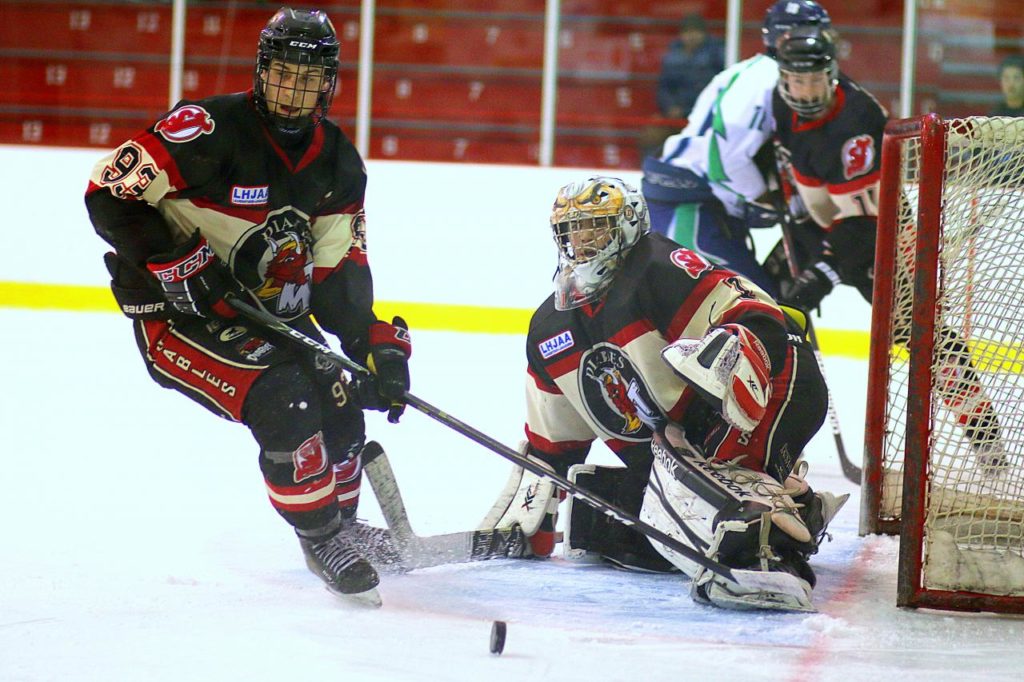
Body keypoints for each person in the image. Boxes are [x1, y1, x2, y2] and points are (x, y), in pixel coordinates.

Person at [84, 7, 411, 607]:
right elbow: (108, 195)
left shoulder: (338, 162)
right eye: (283, 74)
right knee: (286, 395)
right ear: (262, 73)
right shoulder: (206, 130)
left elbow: (337, 273)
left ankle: (341, 518)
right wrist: (179, 259)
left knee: (337, 385)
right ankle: (320, 537)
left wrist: (371, 341)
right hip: (178, 317)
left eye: (308, 79)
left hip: (264, 315)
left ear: (329, 85)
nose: (293, 92)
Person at [485, 176, 846, 612]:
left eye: (596, 226)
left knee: (712, 491)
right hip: (684, 437)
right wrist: (538, 485)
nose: (582, 240)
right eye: (572, 230)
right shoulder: (550, 326)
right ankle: (796, 502)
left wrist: (732, 351)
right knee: (614, 525)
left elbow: (757, 317)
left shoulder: (660, 267)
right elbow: (554, 441)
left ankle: (768, 557)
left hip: (778, 387)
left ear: (628, 225)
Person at [772, 25, 1004, 467]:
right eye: (796, 80)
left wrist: (823, 269)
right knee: (770, 309)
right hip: (830, 227)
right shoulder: (780, 105)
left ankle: (985, 436)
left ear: (831, 74)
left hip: (884, 238)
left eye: (814, 79)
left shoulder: (856, 122)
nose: (805, 89)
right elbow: (800, 175)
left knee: (924, 338)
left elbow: (860, 226)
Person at [641, 0, 833, 297]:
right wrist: (763, 198)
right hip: (689, 206)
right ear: (785, 36)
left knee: (753, 305)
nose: (821, 39)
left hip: (698, 201)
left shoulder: (750, 70)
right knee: (753, 305)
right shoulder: (767, 80)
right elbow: (723, 160)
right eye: (813, 31)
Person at [656, 13, 724, 120]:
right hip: (677, 114)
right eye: (687, 32)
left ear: (704, 34)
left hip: (707, 115)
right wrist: (670, 107)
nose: (692, 36)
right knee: (652, 134)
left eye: (696, 31)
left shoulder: (716, 54)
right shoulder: (672, 56)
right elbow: (664, 87)